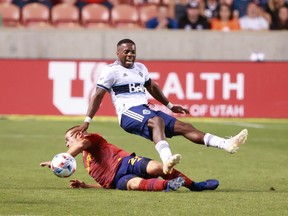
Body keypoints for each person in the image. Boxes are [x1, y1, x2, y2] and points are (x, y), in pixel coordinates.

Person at [76, 38, 248, 175]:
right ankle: (167, 160)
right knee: (156, 120)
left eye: (133, 52)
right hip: (128, 113)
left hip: (145, 109)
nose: (130, 55)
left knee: (184, 127)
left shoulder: (140, 68)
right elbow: (98, 96)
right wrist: (87, 120)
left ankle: (226, 144)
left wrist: (170, 106)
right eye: (126, 51)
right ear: (118, 53)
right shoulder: (110, 71)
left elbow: (152, 87)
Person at [40, 126, 220, 192]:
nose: (67, 144)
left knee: (158, 168)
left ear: (78, 134)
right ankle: (168, 185)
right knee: (135, 184)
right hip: (118, 180)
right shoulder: (87, 165)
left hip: (126, 162)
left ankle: (195, 186)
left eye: (68, 139)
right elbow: (105, 185)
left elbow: (78, 146)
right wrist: (86, 185)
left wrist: (58, 161)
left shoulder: (91, 140)